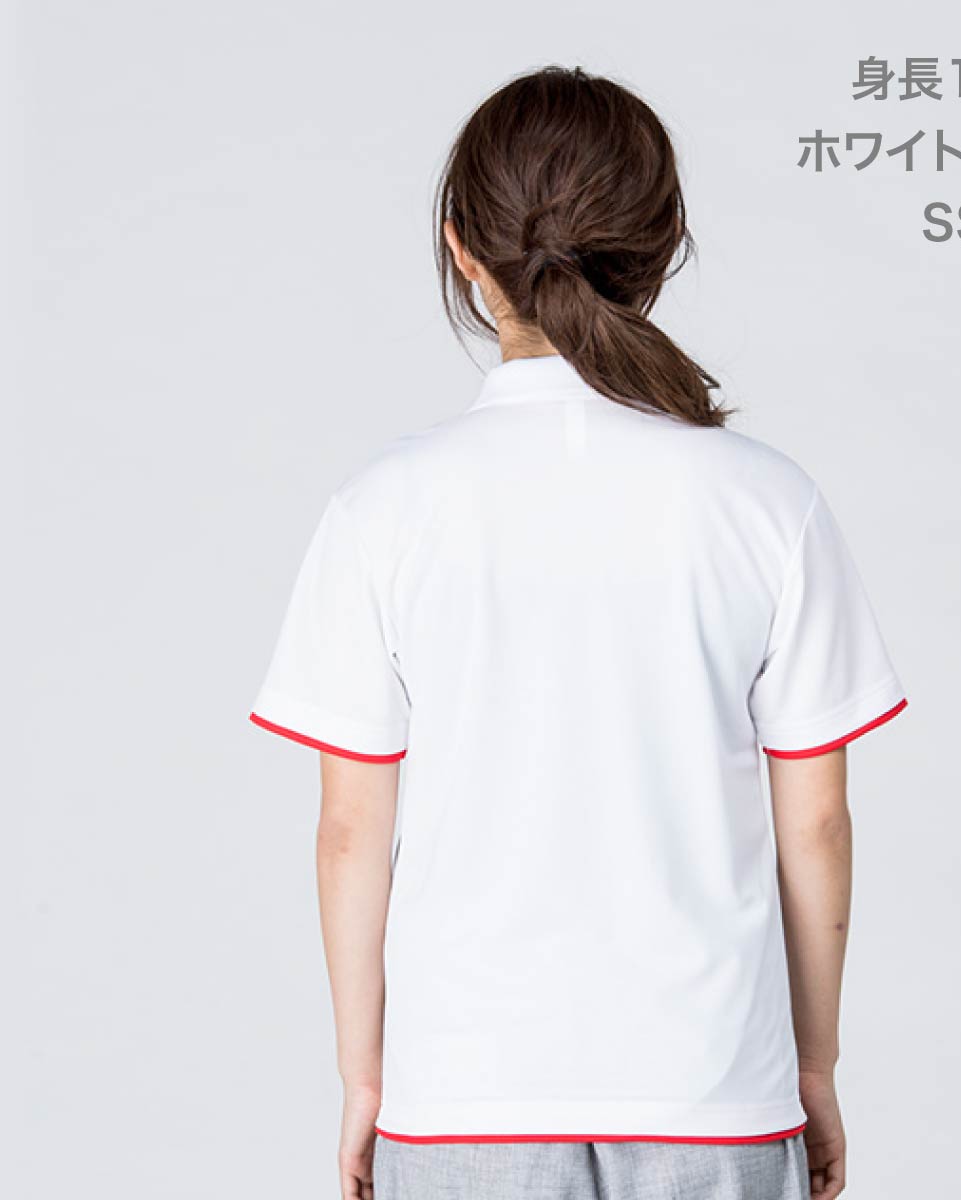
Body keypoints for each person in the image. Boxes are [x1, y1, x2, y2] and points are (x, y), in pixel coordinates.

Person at [249, 65, 908, 1200]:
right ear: (665, 244)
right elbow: (818, 822)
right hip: (716, 1097)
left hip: (462, 1102)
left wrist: (366, 1079)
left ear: (461, 249)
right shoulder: (767, 502)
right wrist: (814, 1067)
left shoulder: (383, 510)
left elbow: (351, 831)